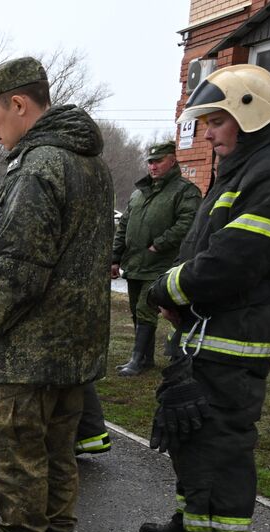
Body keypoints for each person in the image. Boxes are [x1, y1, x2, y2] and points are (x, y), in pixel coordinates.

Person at [142, 64, 270, 532]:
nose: (207, 133)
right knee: (191, 429)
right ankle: (195, 521)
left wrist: (170, 288)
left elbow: (234, 259)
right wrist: (183, 300)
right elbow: (209, 251)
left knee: (219, 438)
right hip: (209, 329)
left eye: (215, 121)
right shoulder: (242, 173)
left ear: (248, 114)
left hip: (233, 336)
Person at [0, 56, 113, 532]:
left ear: (19, 104)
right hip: (74, 351)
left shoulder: (39, 165)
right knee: (57, 457)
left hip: (25, 353)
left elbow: (18, 268)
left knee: (18, 462)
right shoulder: (89, 164)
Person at [112, 141, 201, 376]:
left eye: (158, 161)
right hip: (135, 263)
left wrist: (160, 243)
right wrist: (115, 257)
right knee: (136, 310)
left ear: (172, 161)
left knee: (145, 308)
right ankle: (145, 358)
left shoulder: (185, 191)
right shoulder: (139, 193)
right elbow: (124, 227)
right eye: (150, 162)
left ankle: (138, 360)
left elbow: (188, 223)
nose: (153, 166)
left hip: (162, 264)